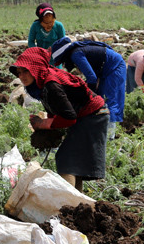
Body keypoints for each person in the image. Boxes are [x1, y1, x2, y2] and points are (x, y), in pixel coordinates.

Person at [10, 47, 108, 192]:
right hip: (88, 116)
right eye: (19, 72)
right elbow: (56, 110)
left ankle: (68, 204)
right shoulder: (41, 83)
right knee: (74, 162)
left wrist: (42, 124)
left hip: (93, 116)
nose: (22, 76)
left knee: (66, 159)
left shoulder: (51, 85)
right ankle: (77, 205)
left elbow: (69, 117)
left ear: (36, 68)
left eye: (25, 71)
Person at [50, 37, 126, 130]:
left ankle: (110, 135)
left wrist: (88, 97)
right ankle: (98, 129)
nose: (64, 64)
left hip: (114, 67)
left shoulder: (76, 54)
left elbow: (91, 78)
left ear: (65, 55)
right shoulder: (75, 52)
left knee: (111, 100)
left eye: (62, 61)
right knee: (100, 100)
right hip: (102, 70)